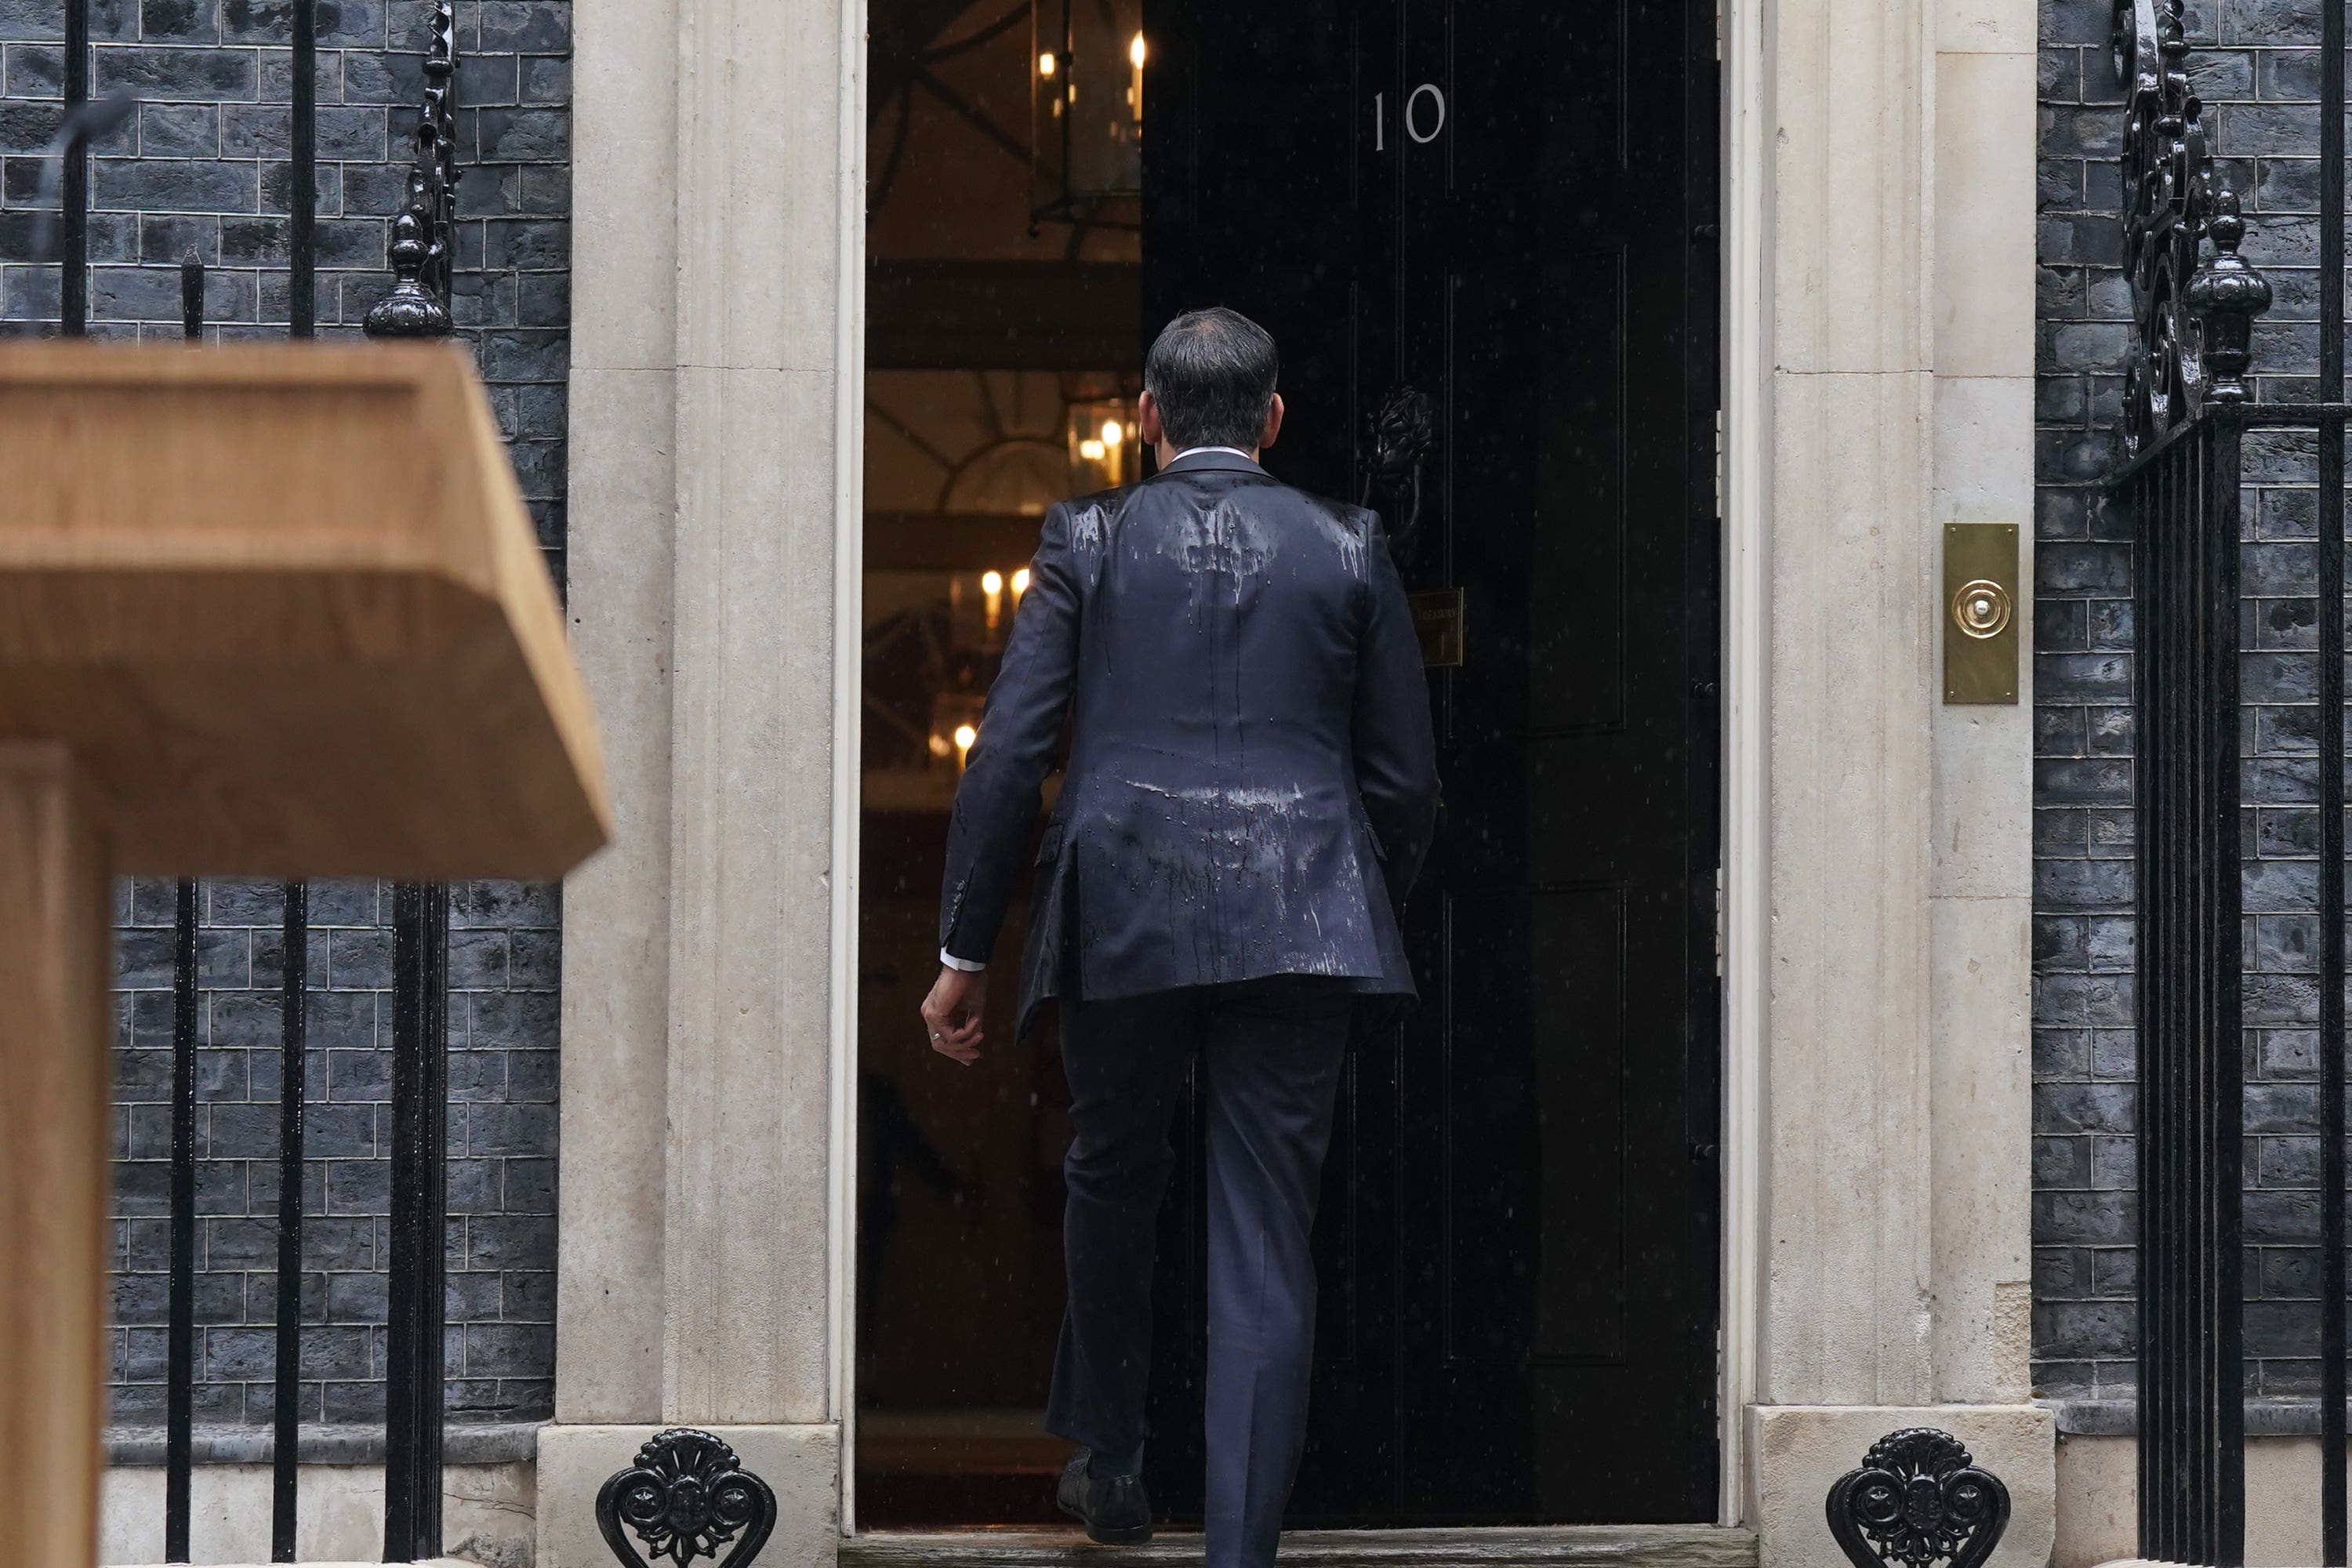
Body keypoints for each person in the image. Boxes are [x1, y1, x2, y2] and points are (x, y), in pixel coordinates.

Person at [919, 307, 1440, 1568]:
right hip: (1306, 909)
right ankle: (1242, 1550)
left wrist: (963, 948)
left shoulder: (1087, 539)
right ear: (1273, 421)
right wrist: (1361, 897)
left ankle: (1110, 1455)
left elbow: (1011, 756)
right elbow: (1407, 784)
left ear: (1146, 420)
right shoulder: (1349, 542)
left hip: (1126, 905)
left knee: (1112, 1169)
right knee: (1264, 1230)